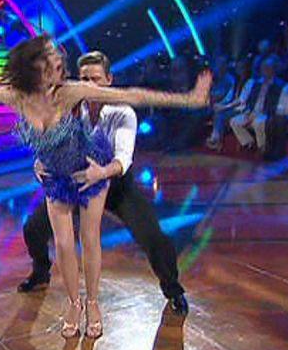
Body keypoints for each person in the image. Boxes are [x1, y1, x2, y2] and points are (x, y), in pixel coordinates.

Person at [0, 36, 211, 339]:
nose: (62, 60)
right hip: (61, 179)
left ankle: (137, 296)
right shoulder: (27, 96)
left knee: (121, 237)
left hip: (103, 175)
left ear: (107, 79)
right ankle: (61, 292)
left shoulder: (90, 100)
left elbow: (132, 100)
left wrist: (189, 100)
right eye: (52, 55)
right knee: (50, 238)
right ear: (38, 66)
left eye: (95, 79)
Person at [17, 51, 189, 316]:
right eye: (84, 79)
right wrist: (40, 164)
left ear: (109, 79)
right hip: (78, 185)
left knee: (153, 237)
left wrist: (102, 172)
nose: (89, 85)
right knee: (33, 228)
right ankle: (41, 272)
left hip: (115, 184)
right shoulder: (70, 109)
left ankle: (173, 289)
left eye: (95, 79)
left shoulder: (123, 113)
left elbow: (123, 159)